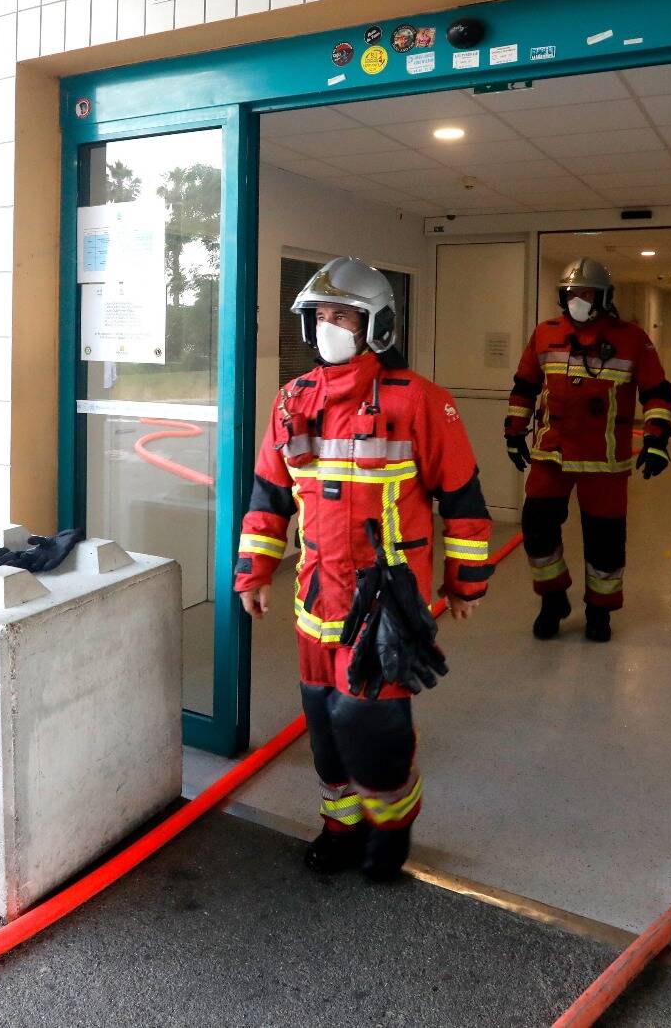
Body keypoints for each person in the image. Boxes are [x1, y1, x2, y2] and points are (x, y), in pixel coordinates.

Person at [235, 257, 494, 882]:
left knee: (372, 725)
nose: (329, 328)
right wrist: (254, 572)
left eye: (342, 316)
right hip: (314, 596)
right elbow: (269, 495)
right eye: (320, 316)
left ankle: (392, 828)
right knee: (324, 723)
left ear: (375, 324)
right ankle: (339, 824)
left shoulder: (422, 402)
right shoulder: (293, 401)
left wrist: (465, 584)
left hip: (386, 601)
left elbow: (463, 500)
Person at [503, 257, 671, 643]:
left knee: (606, 542)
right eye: (571, 294)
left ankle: (600, 610)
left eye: (586, 293)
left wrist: (657, 438)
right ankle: (553, 600)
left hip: (605, 459)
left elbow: (656, 391)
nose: (579, 299)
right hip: (552, 453)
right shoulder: (545, 333)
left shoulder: (631, 337)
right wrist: (515, 432)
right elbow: (525, 385)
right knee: (538, 530)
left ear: (604, 297)